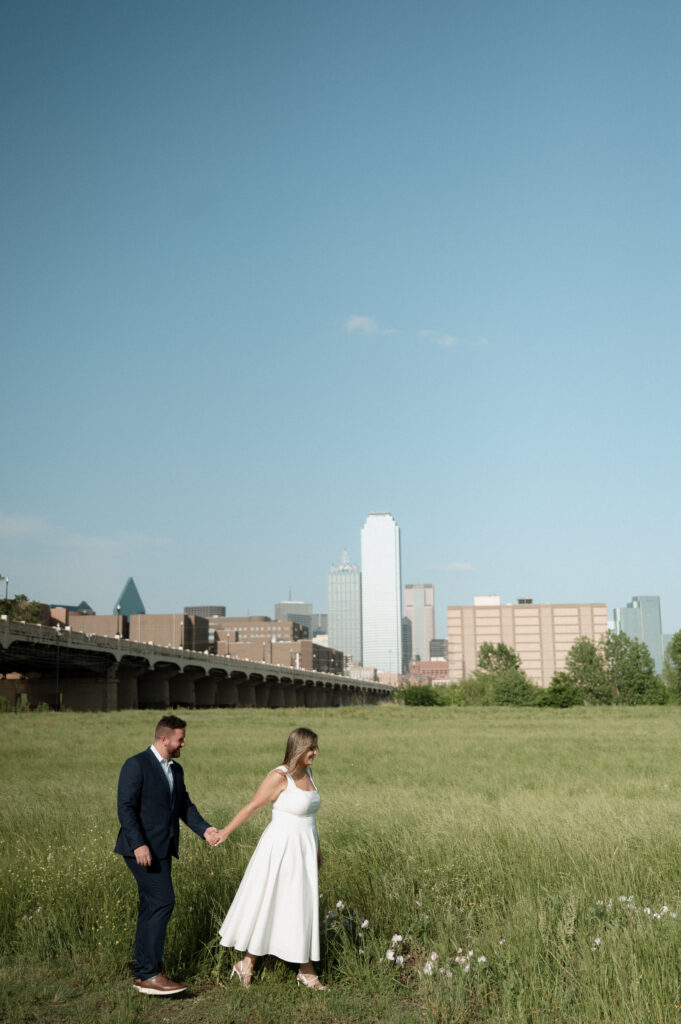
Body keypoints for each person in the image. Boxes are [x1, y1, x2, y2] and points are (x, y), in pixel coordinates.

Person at [114, 714, 220, 996]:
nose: (183, 743)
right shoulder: (136, 765)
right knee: (163, 902)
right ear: (164, 739)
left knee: (152, 906)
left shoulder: (176, 770)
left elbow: (184, 806)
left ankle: (144, 973)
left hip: (162, 849)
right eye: (180, 739)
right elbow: (125, 807)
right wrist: (138, 844)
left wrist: (205, 830)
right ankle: (149, 974)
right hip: (140, 850)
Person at [214, 727, 325, 990]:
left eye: (316, 748)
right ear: (298, 748)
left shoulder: (308, 772)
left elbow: (310, 816)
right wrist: (225, 832)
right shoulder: (279, 776)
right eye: (311, 748)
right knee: (270, 902)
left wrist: (317, 849)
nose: (316, 753)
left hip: (304, 849)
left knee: (300, 905)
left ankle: (304, 969)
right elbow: (254, 806)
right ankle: (248, 963)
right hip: (280, 849)